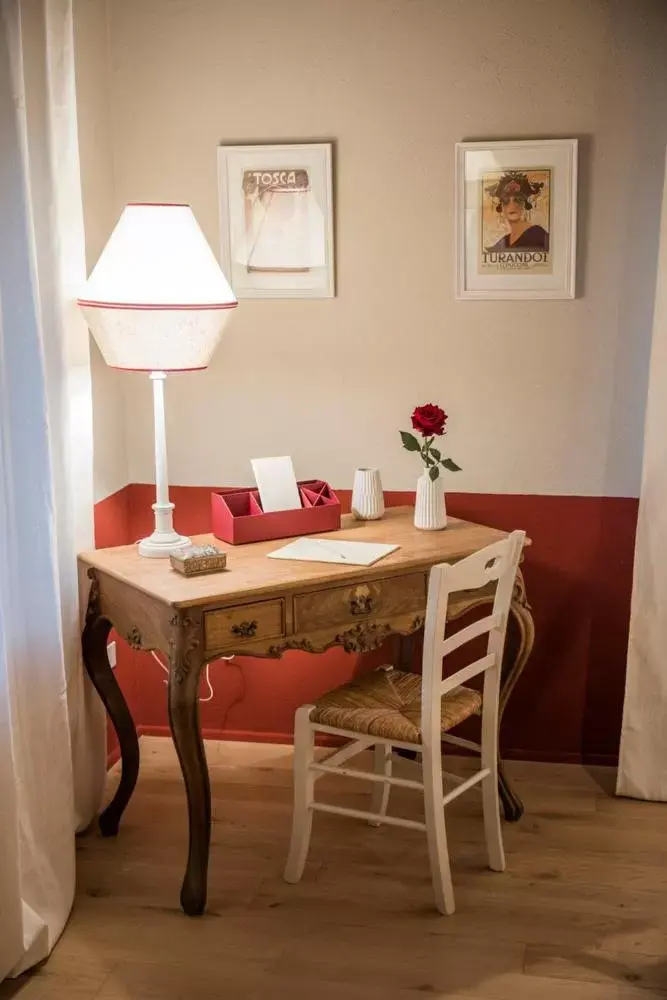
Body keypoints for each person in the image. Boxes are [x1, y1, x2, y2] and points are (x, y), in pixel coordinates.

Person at [484, 171, 549, 252]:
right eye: (506, 200)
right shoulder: (502, 242)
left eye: (518, 200)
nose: (512, 205)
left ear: (525, 204)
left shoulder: (538, 235)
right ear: (501, 206)